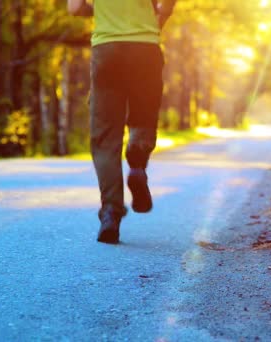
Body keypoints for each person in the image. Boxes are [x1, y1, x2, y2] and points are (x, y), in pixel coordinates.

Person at [67, 0, 176, 244]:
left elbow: (74, 8)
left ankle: (110, 213)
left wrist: (103, 11)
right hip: (145, 48)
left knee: (105, 136)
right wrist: (158, 20)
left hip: (107, 48)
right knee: (144, 116)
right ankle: (137, 165)